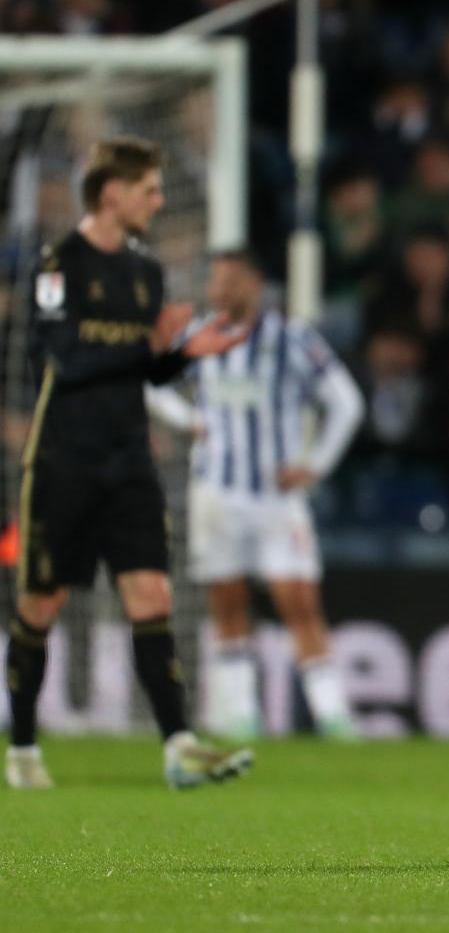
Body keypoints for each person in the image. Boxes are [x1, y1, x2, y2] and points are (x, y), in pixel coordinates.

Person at [7, 137, 253, 790]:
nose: (159, 200)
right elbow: (67, 363)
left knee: (152, 594)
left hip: (128, 461)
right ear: (111, 193)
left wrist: (183, 354)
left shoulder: (146, 273)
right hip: (64, 461)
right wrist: (148, 344)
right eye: (148, 188)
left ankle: (179, 744)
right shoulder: (57, 267)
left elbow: (140, 370)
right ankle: (23, 746)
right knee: (41, 603)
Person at [146, 251, 365, 739]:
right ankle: (239, 716)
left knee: (300, 602)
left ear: (255, 283)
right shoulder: (194, 337)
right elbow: (150, 381)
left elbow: (346, 403)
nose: (220, 288)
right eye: (215, 278)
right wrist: (190, 421)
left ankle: (333, 717)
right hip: (216, 495)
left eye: (231, 279)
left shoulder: (290, 337)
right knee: (227, 603)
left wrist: (315, 466)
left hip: (274, 498)